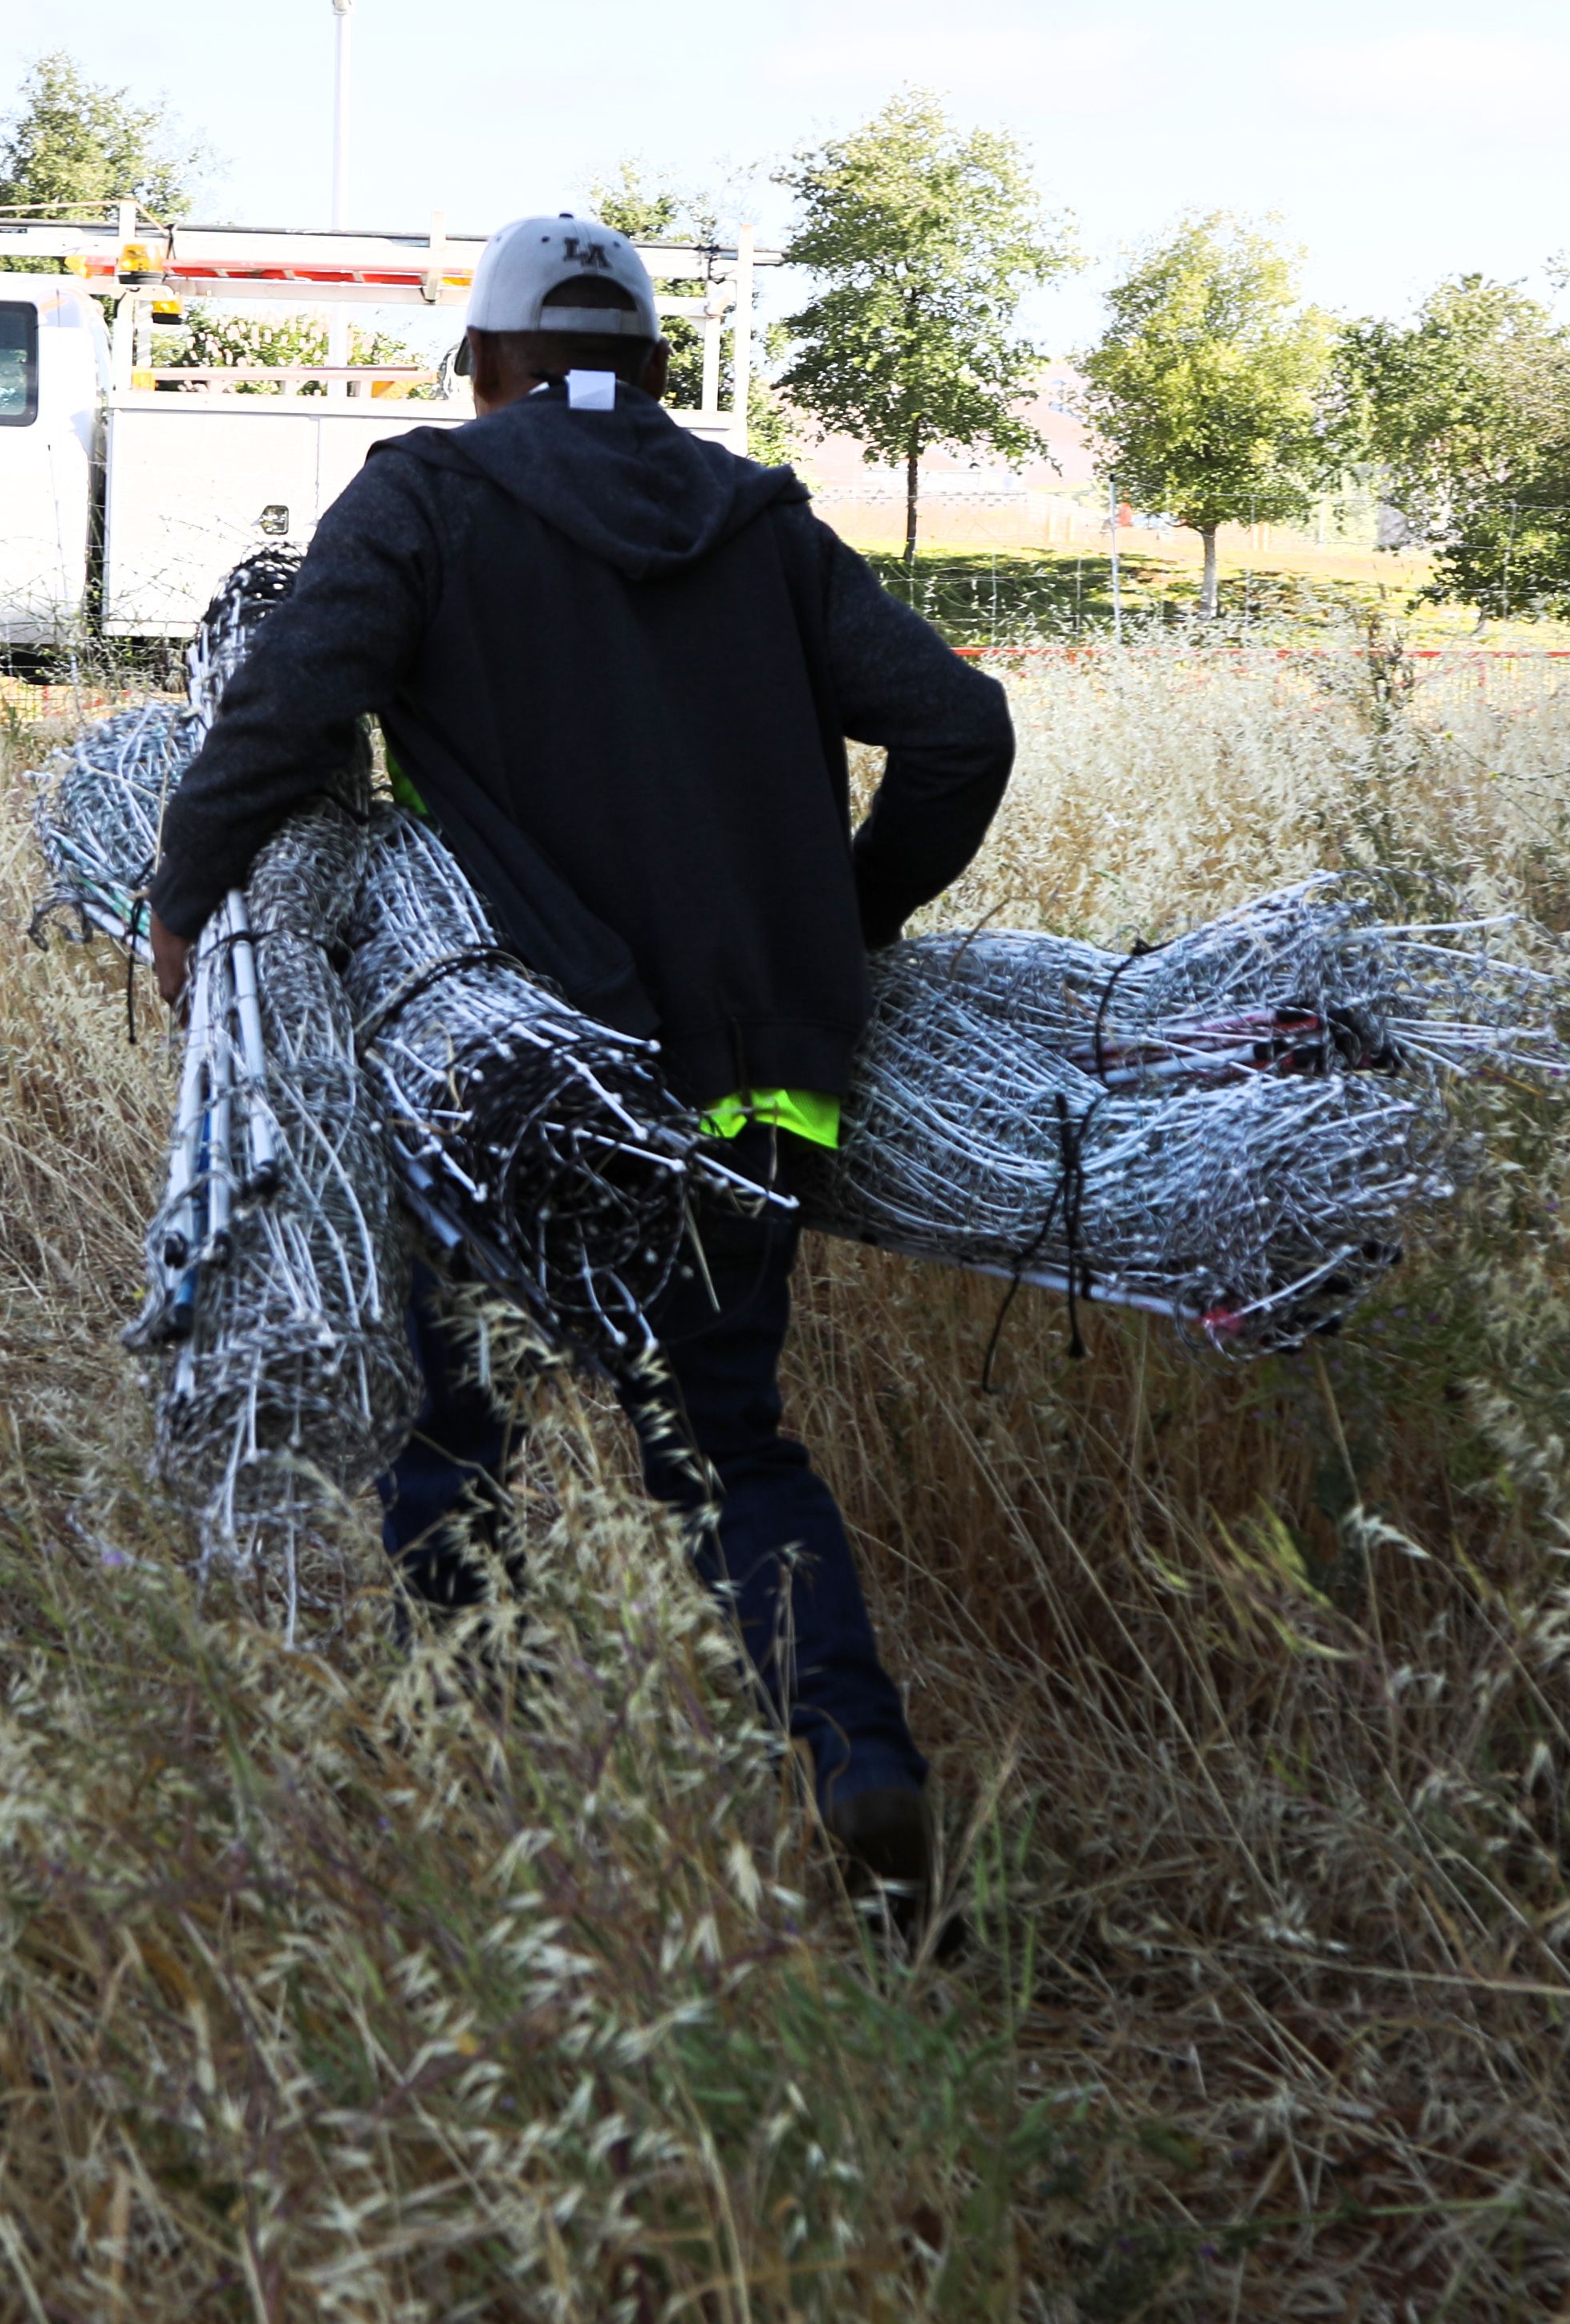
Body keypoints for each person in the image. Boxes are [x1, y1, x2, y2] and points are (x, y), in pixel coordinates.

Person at [145, 213, 1015, 1937]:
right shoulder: (761, 522)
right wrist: (842, 928)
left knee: (452, 1425)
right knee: (729, 1451)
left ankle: (488, 1802)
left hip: (521, 1075)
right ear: (656, 369)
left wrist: (184, 899)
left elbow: (284, 707)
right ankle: (859, 1770)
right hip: (762, 1090)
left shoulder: (429, 496)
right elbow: (962, 729)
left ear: (491, 364)